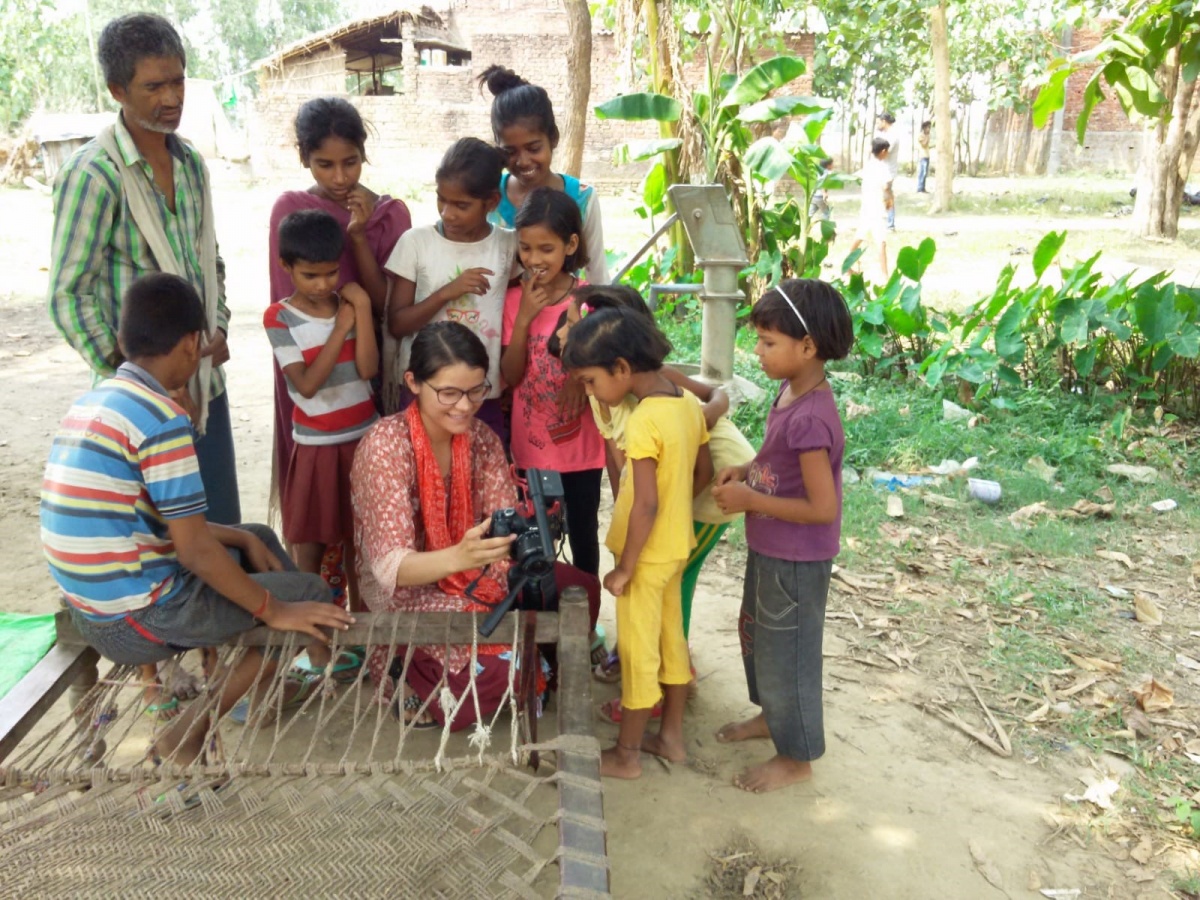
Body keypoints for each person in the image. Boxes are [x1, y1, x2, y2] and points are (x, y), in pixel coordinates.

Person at [41, 273, 354, 765]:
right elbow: (192, 550)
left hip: (90, 603)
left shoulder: (96, 402)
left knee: (255, 537)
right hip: (134, 620)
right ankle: (187, 733)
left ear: (124, 340)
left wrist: (245, 546)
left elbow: (151, 521)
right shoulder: (160, 418)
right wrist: (273, 609)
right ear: (193, 344)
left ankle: (268, 678)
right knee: (308, 596)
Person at [350, 321, 600, 730]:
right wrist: (459, 558)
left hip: (482, 569)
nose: (464, 406)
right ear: (413, 382)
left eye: (476, 390)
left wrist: (525, 536)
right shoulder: (384, 447)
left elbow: (504, 521)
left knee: (580, 587)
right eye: (448, 392)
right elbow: (390, 568)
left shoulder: (481, 438)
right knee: (498, 678)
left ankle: (527, 665)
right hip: (409, 590)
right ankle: (407, 669)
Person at [48, 13, 240, 527]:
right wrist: (135, 377)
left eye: (178, 80)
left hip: (202, 385)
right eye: (154, 86)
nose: (172, 97)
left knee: (218, 526)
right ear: (118, 90)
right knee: (161, 546)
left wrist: (216, 324)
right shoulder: (94, 175)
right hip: (136, 406)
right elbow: (68, 296)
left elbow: (210, 261)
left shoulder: (191, 163)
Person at [548, 285, 755, 712]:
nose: (570, 334)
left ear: (619, 356)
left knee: (659, 582)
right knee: (669, 579)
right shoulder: (601, 389)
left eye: (579, 327)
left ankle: (654, 686)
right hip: (677, 492)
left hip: (712, 487)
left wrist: (704, 418)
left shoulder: (657, 390)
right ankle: (663, 671)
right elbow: (617, 459)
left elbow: (718, 396)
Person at [710, 278, 853, 793]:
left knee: (789, 653)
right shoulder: (792, 390)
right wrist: (748, 470)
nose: (759, 351)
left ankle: (797, 757)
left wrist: (751, 501)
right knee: (761, 638)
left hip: (796, 557)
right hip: (771, 546)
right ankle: (774, 717)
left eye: (769, 342)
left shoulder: (812, 418)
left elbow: (821, 508)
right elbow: (776, 460)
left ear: (808, 346)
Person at [267, 98, 411, 605]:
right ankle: (318, 622)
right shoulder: (291, 211)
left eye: (349, 161)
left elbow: (386, 303)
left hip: (370, 381)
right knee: (316, 517)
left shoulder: (390, 214)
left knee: (366, 512)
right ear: (304, 158)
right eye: (324, 164)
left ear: (364, 154)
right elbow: (284, 307)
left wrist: (357, 238)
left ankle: (368, 617)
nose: (339, 175)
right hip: (312, 393)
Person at [562, 307, 713, 779]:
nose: (588, 392)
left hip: (645, 559)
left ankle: (626, 756)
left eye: (589, 381)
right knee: (672, 641)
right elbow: (703, 473)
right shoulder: (687, 404)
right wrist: (671, 511)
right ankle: (670, 739)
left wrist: (625, 567)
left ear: (622, 369)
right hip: (675, 548)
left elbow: (644, 504)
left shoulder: (644, 420)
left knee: (639, 652)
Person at [264, 210, 379, 614]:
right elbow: (307, 385)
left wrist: (360, 311)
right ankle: (312, 635)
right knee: (309, 544)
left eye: (330, 273)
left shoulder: (349, 302)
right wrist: (342, 325)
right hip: (316, 445)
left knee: (359, 544)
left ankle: (363, 637)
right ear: (286, 266)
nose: (323, 284)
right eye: (310, 275)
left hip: (364, 440)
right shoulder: (278, 317)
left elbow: (368, 369)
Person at [502, 188, 605, 580]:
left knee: (583, 536)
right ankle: (538, 621)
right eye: (526, 248)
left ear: (571, 244)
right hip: (530, 448)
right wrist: (526, 316)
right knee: (533, 539)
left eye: (546, 248)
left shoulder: (588, 301)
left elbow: (605, 372)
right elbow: (510, 377)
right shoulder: (515, 300)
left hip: (581, 449)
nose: (534, 259)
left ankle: (586, 619)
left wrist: (579, 377)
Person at [384, 137, 516, 430]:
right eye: (441, 198)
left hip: (481, 392)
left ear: (492, 202)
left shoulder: (509, 246)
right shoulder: (416, 243)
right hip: (426, 389)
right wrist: (446, 293)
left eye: (461, 205)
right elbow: (398, 324)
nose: (447, 212)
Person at [479, 65, 609, 284]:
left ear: (554, 139)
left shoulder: (583, 198)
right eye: (510, 151)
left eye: (534, 148)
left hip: (564, 317)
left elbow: (597, 275)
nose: (523, 161)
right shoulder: (488, 198)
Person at [849, 138, 891, 279]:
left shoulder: (867, 166)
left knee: (859, 237)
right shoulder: (882, 167)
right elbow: (886, 187)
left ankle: (846, 265)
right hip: (877, 209)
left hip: (866, 207)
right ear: (883, 151)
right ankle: (885, 275)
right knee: (881, 242)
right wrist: (890, 199)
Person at [874, 111, 899, 231]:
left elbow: (884, 153)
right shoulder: (884, 135)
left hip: (889, 171)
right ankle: (885, 221)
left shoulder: (893, 135)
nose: (877, 125)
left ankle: (890, 223)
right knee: (883, 196)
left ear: (884, 122)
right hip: (882, 169)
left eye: (879, 122)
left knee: (887, 194)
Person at [917, 121, 931, 194]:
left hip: (927, 156)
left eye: (929, 127)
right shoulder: (921, 135)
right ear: (924, 128)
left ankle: (923, 188)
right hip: (922, 156)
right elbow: (924, 144)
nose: (929, 129)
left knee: (925, 173)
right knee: (922, 172)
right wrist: (927, 137)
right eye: (928, 127)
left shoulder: (927, 135)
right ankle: (919, 188)